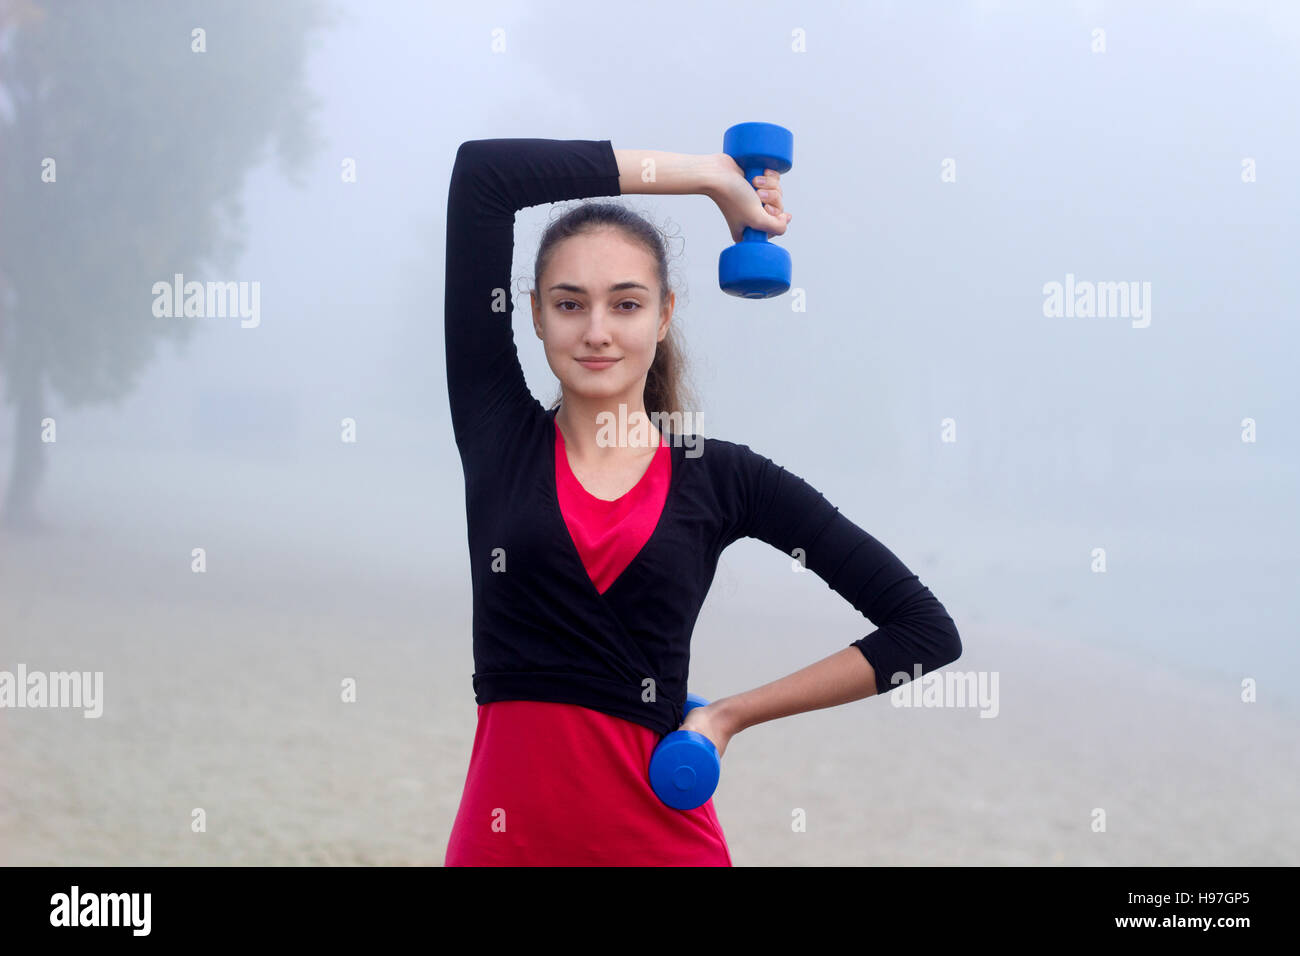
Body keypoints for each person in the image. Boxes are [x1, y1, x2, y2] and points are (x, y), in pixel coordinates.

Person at [442, 137, 962, 866]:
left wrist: (727, 717)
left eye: (626, 303)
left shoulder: (723, 480)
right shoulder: (499, 437)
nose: (597, 331)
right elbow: (483, 175)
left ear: (663, 315)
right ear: (533, 314)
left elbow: (926, 633)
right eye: (570, 303)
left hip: (660, 843)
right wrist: (711, 179)